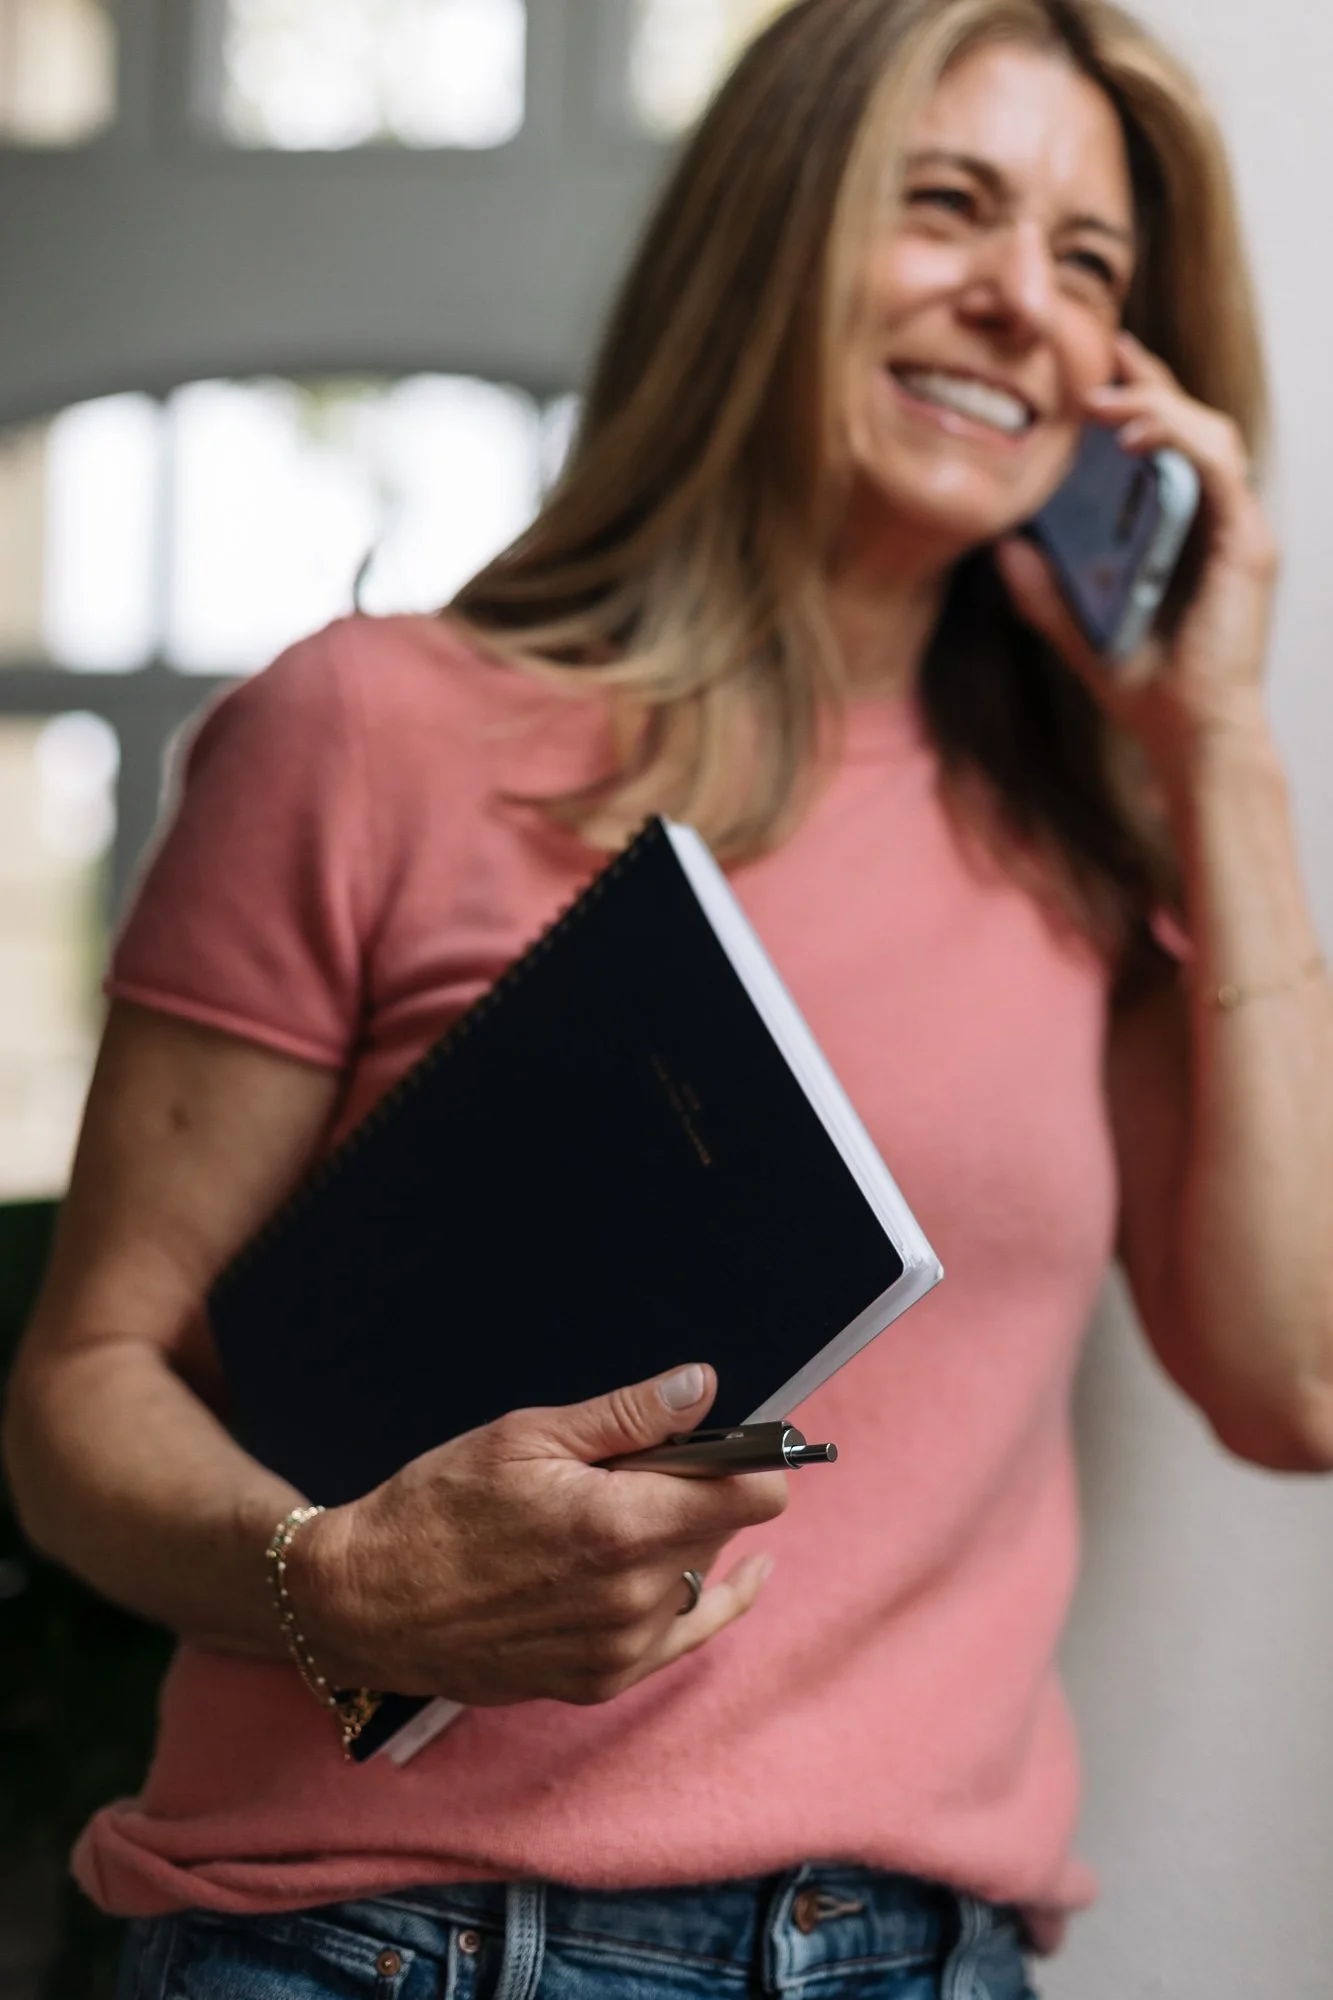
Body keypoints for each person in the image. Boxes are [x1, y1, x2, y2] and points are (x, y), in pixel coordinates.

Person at [6, 0, 1332, 1993]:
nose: (1021, 303)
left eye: (1090, 265)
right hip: (375, 1941)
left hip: (905, 1956)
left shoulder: (1088, 865)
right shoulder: (367, 734)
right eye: (947, 205)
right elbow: (79, 1396)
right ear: (774, 226)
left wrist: (1215, 737)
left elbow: (1298, 1385)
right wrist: (336, 1583)